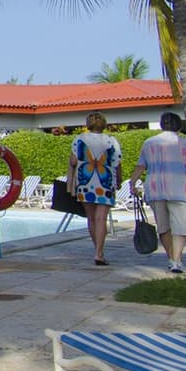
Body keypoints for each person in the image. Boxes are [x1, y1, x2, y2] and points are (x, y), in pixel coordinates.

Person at [140, 112, 186, 274]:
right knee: (181, 226)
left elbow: (141, 165)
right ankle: (176, 260)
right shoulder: (185, 143)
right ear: (178, 125)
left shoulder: (149, 142)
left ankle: (172, 258)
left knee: (163, 226)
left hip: (156, 189)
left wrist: (132, 184)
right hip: (180, 188)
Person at [68, 112, 122, 266]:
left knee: (91, 218)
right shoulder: (111, 141)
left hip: (85, 181)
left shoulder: (79, 139)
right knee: (101, 218)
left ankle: (98, 250)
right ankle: (99, 251)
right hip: (105, 181)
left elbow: (73, 160)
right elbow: (117, 162)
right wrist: (118, 179)